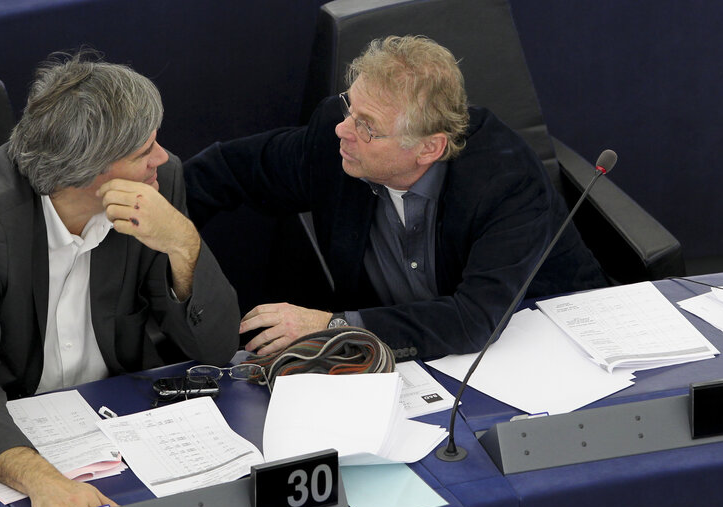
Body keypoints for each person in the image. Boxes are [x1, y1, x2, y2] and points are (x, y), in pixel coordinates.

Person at [184, 35, 606, 361]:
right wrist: (148, 239)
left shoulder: (505, 181)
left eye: (367, 125)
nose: (343, 130)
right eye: (350, 108)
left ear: (428, 149)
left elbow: (472, 319)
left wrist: (333, 327)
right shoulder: (336, 143)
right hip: (409, 362)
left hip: (549, 345)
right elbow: (225, 170)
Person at [0, 51, 240, 507]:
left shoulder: (156, 186)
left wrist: (183, 245)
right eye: (143, 152)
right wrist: (42, 480)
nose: (163, 157)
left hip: (117, 422)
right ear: (88, 173)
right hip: (10, 438)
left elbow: (216, 350)